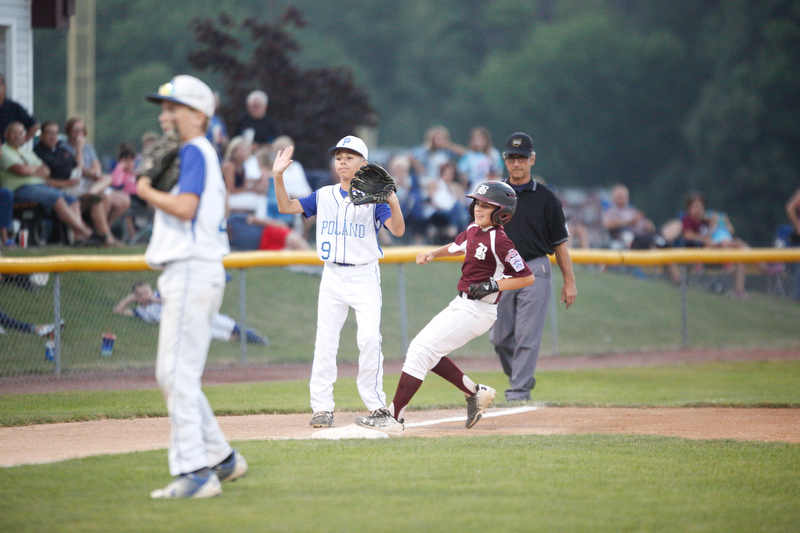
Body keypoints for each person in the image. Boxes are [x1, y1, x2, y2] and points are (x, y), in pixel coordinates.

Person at [136, 74, 248, 499]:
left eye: (173, 108)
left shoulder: (195, 150)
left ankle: (196, 474)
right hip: (192, 268)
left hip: (191, 269)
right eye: (163, 108)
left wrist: (144, 188)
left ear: (198, 115)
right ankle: (221, 458)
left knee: (175, 374)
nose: (165, 116)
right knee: (174, 374)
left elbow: (185, 208)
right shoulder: (201, 152)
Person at [355, 181, 534, 433]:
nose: (478, 209)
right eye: (478, 203)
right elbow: (457, 246)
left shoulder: (500, 241)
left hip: (479, 310)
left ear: (502, 213)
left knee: (419, 350)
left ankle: (393, 417)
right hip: (461, 305)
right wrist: (432, 254)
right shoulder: (473, 228)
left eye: (486, 205)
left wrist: (494, 285)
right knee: (427, 352)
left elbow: (527, 277)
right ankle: (475, 393)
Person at [272, 135, 406, 428]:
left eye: (349, 156)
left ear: (365, 164)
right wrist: (278, 176)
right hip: (332, 275)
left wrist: (393, 201)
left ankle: (376, 406)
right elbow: (285, 207)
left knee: (370, 339)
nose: (342, 161)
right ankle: (321, 407)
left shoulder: (376, 199)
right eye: (338, 157)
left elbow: (397, 230)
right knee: (325, 342)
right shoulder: (324, 195)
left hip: (364, 275)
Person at [490, 132, 577, 402]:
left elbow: (560, 243)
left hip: (534, 270)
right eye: (512, 158)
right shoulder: (493, 194)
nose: (517, 163)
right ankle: (522, 376)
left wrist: (569, 281)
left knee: (527, 336)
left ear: (532, 160)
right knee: (500, 338)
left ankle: (518, 392)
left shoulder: (547, 198)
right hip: (501, 271)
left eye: (522, 158)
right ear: (505, 160)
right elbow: (480, 236)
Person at [0, 121, 95, 244]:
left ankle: (79, 237)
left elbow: (46, 170)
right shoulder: (5, 151)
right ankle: (86, 232)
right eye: (14, 133)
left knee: (72, 200)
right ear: (6, 135)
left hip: (39, 186)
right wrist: (32, 168)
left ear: (24, 136)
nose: (17, 136)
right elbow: (21, 170)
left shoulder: (26, 152)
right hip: (21, 188)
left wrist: (29, 169)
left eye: (20, 133)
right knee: (57, 197)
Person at [113, 281, 268, 345]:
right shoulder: (142, 311)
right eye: (141, 294)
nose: (146, 295)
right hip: (188, 325)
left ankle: (256, 337)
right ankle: (247, 342)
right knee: (221, 335)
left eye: (146, 291)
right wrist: (130, 298)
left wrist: (154, 299)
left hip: (197, 311)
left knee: (227, 324)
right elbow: (118, 310)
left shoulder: (160, 294)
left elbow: (176, 301)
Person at [64, 117, 129, 245]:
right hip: (78, 184)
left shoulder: (88, 147)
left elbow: (96, 166)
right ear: (69, 132)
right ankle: (105, 237)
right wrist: (79, 149)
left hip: (92, 184)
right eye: (75, 131)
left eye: (81, 131)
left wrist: (95, 173)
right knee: (103, 198)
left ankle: (99, 233)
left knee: (124, 200)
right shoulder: (65, 148)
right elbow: (78, 168)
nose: (79, 134)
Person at [682, 192, 748, 299]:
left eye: (700, 206)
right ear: (689, 208)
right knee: (722, 245)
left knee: (738, 246)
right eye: (695, 206)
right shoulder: (688, 221)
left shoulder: (706, 221)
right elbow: (689, 236)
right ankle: (731, 262)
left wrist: (722, 224)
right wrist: (708, 239)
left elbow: (726, 232)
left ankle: (739, 292)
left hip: (718, 252)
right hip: (702, 257)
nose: (698, 209)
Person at [602, 183, 664, 249]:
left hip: (644, 236)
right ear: (613, 197)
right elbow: (608, 224)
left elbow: (649, 226)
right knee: (631, 239)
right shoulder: (611, 211)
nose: (621, 198)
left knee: (661, 242)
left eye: (623, 195)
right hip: (626, 239)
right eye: (619, 196)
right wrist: (629, 222)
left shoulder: (633, 210)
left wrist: (649, 226)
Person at [423, 160, 470, 243]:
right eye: (447, 172)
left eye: (451, 173)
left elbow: (462, 203)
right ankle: (454, 228)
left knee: (460, 208)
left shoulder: (456, 186)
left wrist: (452, 191)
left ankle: (457, 230)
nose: (449, 175)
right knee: (460, 213)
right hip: (439, 210)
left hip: (453, 210)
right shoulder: (435, 183)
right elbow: (430, 199)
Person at [222, 135, 267, 217]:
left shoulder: (242, 166)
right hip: (227, 198)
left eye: (246, 150)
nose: (245, 153)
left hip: (235, 196)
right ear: (234, 151)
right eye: (242, 150)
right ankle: (261, 223)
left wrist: (258, 183)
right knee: (260, 200)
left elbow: (244, 185)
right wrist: (251, 190)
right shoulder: (229, 166)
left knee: (261, 196)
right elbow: (230, 189)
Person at [227, 212, 310, 252]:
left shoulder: (233, 220)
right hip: (262, 247)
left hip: (267, 232)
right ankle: (312, 268)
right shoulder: (225, 240)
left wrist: (275, 224)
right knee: (288, 253)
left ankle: (316, 260)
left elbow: (256, 220)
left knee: (295, 240)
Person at [454, 126, 503, 191]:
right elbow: (463, 176)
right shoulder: (468, 156)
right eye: (476, 138)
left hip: (492, 184)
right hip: (475, 186)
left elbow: (499, 171)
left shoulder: (494, 153)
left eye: (481, 138)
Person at [109, 143, 141, 240]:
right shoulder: (120, 173)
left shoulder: (136, 174)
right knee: (128, 212)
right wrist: (120, 167)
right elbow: (116, 183)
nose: (128, 162)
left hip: (140, 198)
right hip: (128, 198)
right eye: (125, 160)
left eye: (131, 160)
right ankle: (133, 237)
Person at [0, 74, 39, 144]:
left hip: (7, 150)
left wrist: (22, 141)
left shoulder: (13, 107)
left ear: (4, 87)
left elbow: (34, 125)